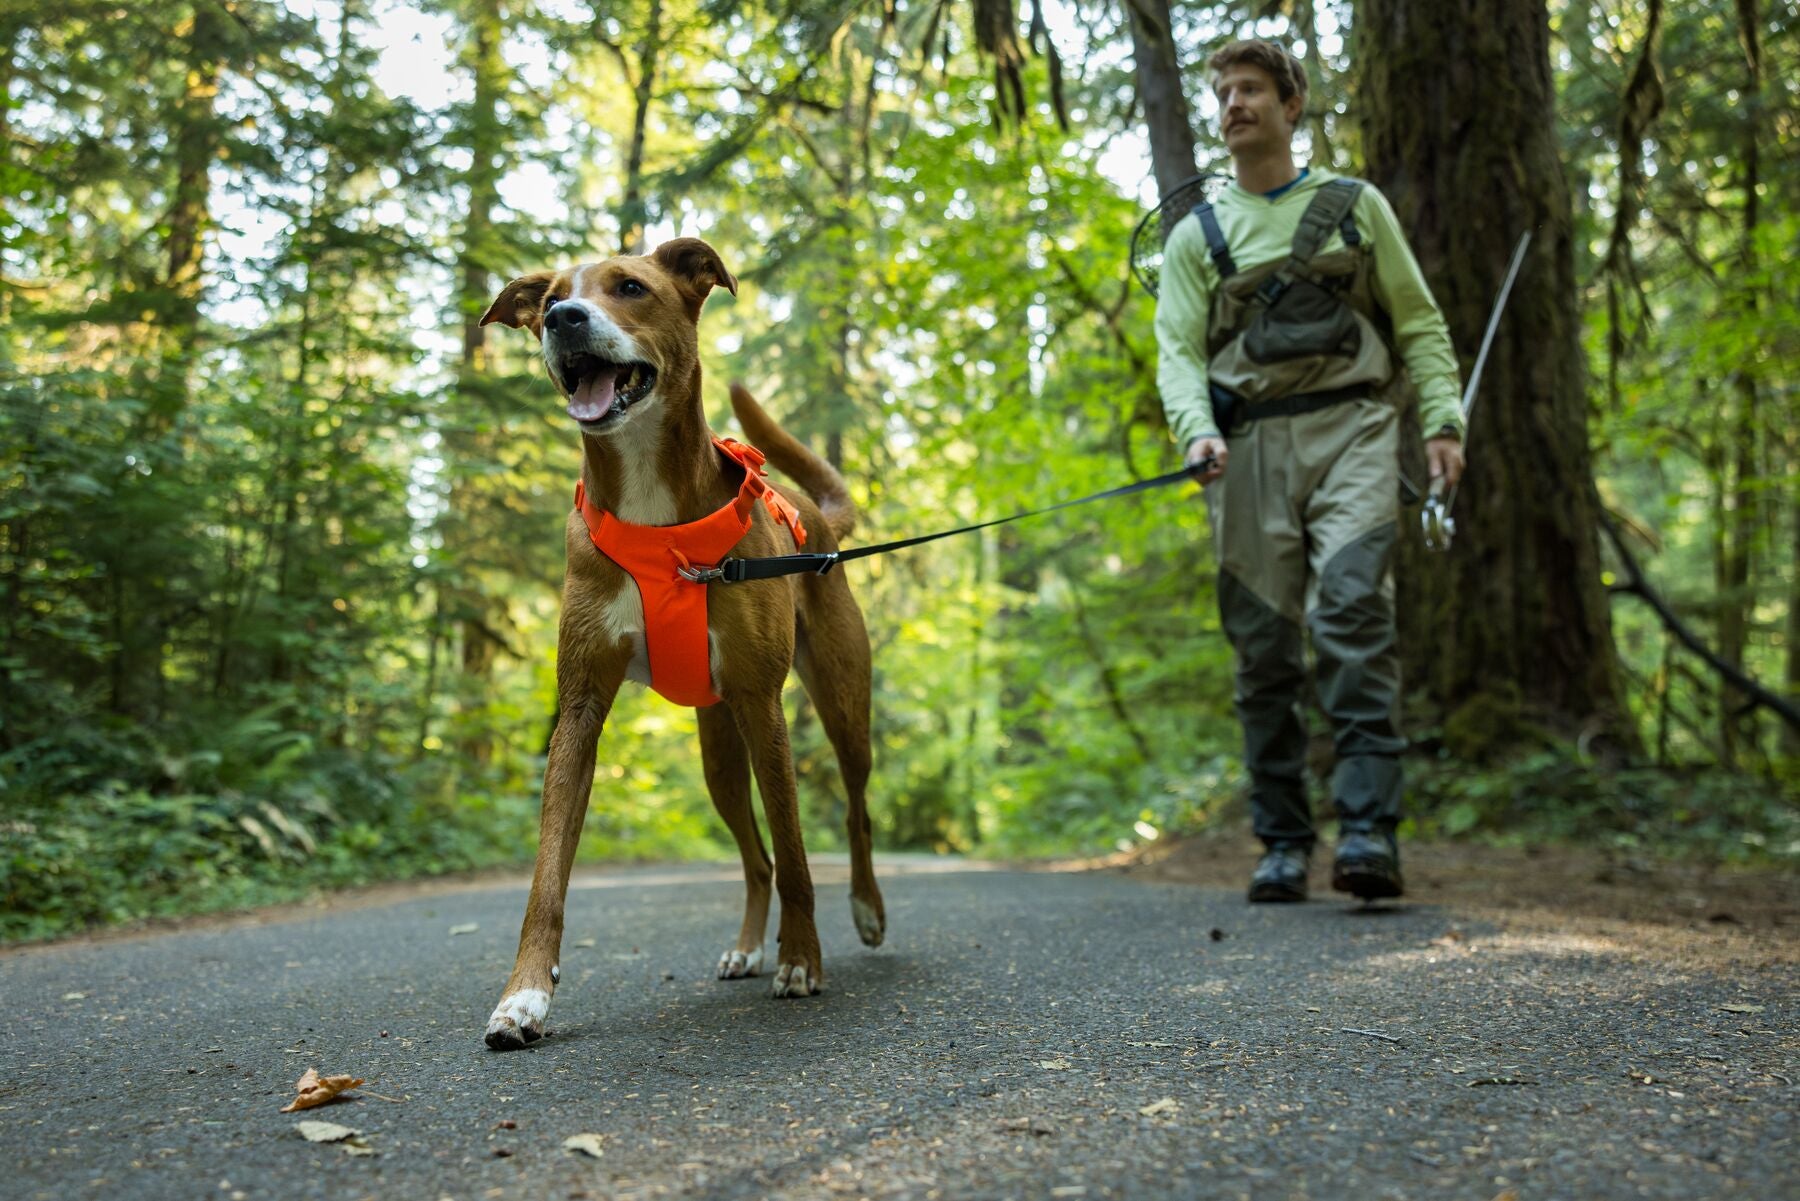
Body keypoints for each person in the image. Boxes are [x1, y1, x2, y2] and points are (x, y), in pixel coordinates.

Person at [1154, 38, 1466, 903]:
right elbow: (1178, 354)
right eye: (1223, 93)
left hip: (1357, 430)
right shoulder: (1196, 238)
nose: (1234, 105)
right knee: (1261, 647)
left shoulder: (1356, 206)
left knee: (1354, 608)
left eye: (1252, 89)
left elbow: (1420, 322)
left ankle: (1368, 832)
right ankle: (1284, 840)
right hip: (1245, 450)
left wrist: (1441, 421)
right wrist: (1195, 432)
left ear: (1292, 107)